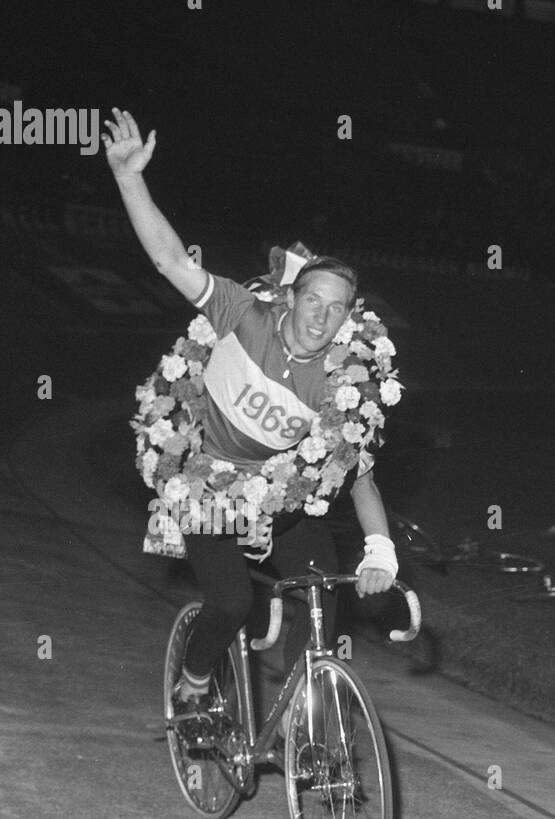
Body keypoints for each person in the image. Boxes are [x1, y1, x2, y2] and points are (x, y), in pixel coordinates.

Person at [104, 108, 398, 733]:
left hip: (278, 496)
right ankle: (194, 681)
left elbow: (357, 473)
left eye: (335, 309)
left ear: (349, 318)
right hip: (206, 482)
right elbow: (169, 262)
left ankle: (304, 723)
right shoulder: (243, 314)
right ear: (290, 298)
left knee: (321, 592)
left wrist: (380, 551)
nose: (320, 318)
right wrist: (130, 179)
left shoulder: (345, 381)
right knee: (233, 600)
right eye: (311, 301)